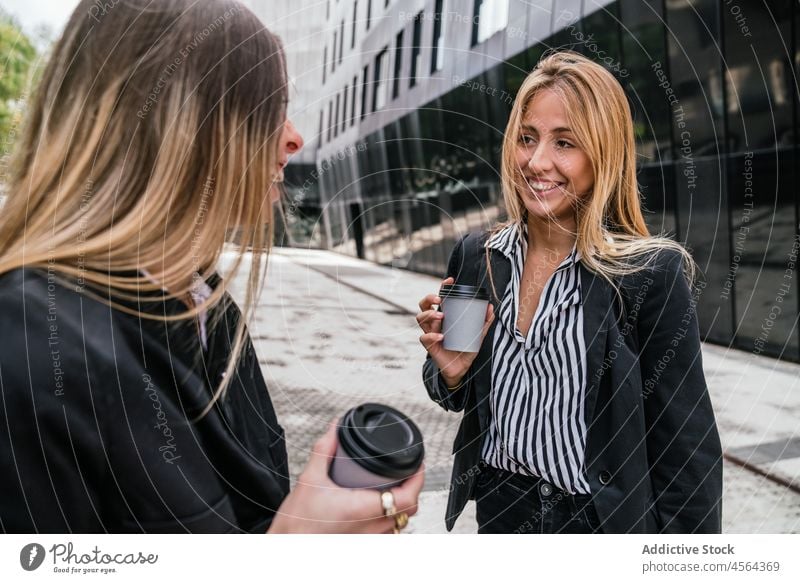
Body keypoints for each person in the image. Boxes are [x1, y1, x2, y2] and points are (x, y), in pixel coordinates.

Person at [0, 0, 422, 534]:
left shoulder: (206, 303)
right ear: (178, 124)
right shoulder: (29, 344)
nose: (295, 138)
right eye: (269, 107)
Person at [417, 51, 722, 534]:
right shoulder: (478, 257)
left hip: (597, 521)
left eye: (565, 143)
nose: (537, 162)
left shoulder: (648, 274)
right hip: (500, 510)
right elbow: (450, 390)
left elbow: (685, 446)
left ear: (604, 154)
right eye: (527, 138)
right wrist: (452, 374)